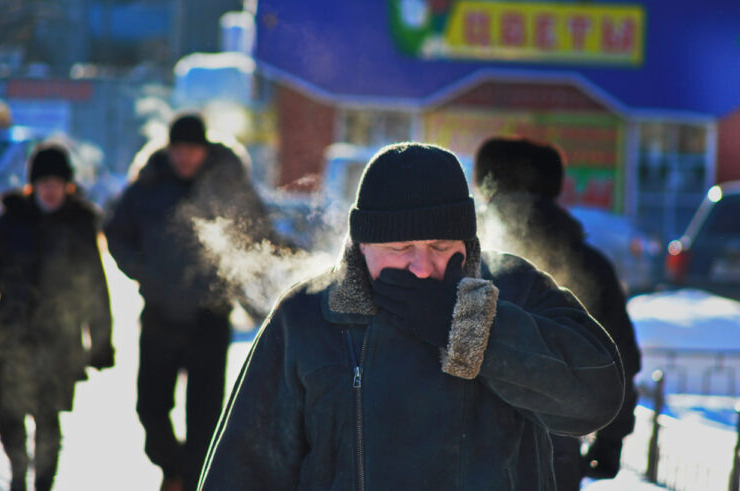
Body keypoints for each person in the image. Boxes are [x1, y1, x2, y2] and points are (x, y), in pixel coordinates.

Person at [199, 142, 625, 490]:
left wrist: (470, 325)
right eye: (401, 249)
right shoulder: (308, 316)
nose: (423, 268)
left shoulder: (513, 287)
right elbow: (245, 469)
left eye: (441, 246)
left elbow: (596, 394)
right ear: (363, 244)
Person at [104, 113, 282, 491]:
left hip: (210, 316)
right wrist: (143, 271)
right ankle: (175, 469)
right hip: (160, 314)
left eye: (192, 149)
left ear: (205, 149)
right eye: (178, 150)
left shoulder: (228, 185)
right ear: (169, 150)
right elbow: (116, 233)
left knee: (205, 417)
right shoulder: (147, 186)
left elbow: (259, 233)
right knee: (150, 408)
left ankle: (194, 480)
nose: (185, 157)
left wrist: (247, 276)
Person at [474, 136, 642, 489]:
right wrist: (610, 441)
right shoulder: (589, 265)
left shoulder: (458, 258)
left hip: (463, 449)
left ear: (486, 186)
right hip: (555, 453)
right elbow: (618, 358)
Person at [0, 144, 114, 491]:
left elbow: (95, 287)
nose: (50, 189)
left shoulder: (80, 224)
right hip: (11, 335)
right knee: (8, 414)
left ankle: (43, 485)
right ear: (32, 184)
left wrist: (100, 343)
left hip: (59, 340)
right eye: (44, 182)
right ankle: (19, 471)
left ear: (67, 185)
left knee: (48, 418)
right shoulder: (10, 221)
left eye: (57, 182)